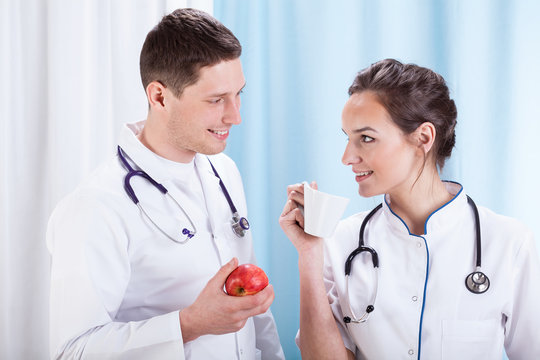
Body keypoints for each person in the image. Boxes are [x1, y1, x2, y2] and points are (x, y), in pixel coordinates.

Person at [47, 8, 284, 359]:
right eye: (216, 100)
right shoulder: (97, 205)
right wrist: (189, 324)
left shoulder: (224, 171)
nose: (235, 116)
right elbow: (73, 351)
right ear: (159, 97)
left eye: (239, 95)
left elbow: (250, 309)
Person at [279, 59, 540, 359]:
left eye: (366, 138)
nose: (347, 157)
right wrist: (310, 254)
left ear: (423, 138)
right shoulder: (342, 241)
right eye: (347, 138)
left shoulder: (508, 242)